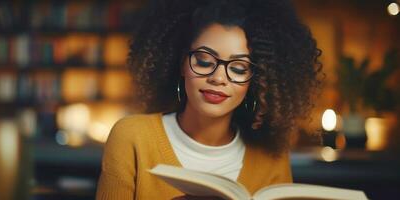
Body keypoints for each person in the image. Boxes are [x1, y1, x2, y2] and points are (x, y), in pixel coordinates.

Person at [96, 0, 322, 199]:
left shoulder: (272, 157)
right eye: (204, 62)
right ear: (182, 63)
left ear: (257, 80)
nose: (218, 78)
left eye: (239, 68)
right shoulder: (132, 137)